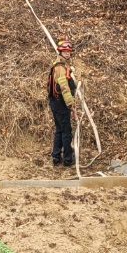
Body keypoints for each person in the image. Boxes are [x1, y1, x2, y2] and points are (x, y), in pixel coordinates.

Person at [47, 40, 77, 168]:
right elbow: (64, 86)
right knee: (66, 131)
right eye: (65, 52)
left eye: (69, 52)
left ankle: (56, 156)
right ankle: (68, 159)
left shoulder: (61, 65)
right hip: (61, 103)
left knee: (59, 130)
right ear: (60, 52)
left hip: (56, 102)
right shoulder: (60, 67)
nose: (67, 54)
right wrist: (70, 102)